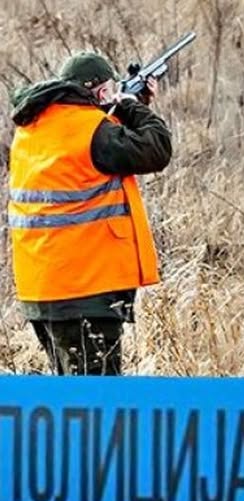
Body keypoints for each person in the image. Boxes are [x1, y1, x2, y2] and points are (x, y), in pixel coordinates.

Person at [7, 51, 172, 375]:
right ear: (100, 93)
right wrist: (130, 105)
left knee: (73, 401)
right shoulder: (92, 130)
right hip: (86, 290)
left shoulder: (33, 128)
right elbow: (157, 148)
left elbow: (97, 158)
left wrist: (122, 107)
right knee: (97, 406)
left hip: (42, 291)